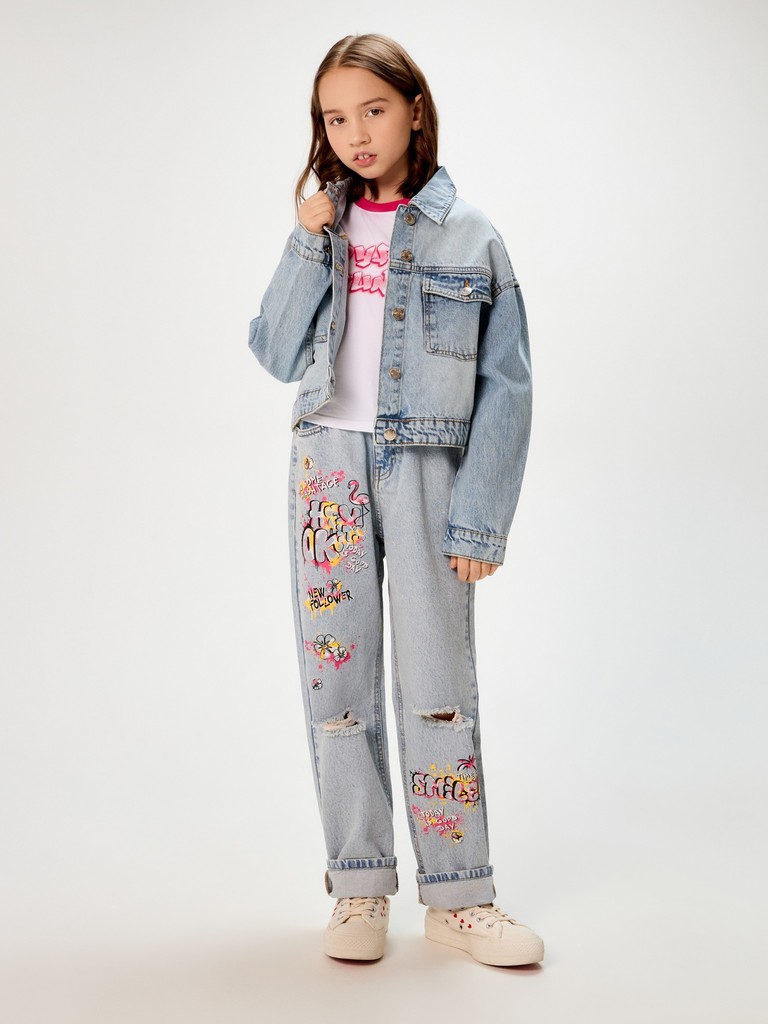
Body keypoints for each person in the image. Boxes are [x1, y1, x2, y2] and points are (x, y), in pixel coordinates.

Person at [248, 33, 544, 967]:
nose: (355, 134)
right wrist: (307, 240)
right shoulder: (324, 228)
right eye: (335, 118)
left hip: (426, 470)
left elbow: (507, 386)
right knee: (337, 685)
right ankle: (360, 885)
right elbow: (273, 351)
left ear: (415, 110)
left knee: (437, 682)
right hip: (328, 472)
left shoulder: (473, 235)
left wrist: (481, 519)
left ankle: (459, 897)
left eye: (373, 110)